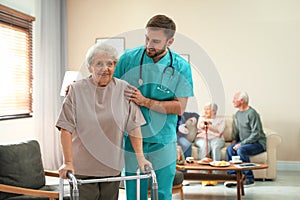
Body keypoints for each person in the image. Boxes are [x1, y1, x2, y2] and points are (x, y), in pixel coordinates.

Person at [56, 43, 152, 200]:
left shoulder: (125, 90)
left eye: (110, 63)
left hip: (111, 167)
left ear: (115, 66)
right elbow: (65, 128)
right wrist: (67, 162)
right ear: (90, 67)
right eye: (99, 63)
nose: (105, 68)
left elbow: (134, 127)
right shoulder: (76, 91)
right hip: (82, 168)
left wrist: (141, 158)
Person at [114, 14, 194, 200]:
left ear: (170, 41)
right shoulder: (128, 59)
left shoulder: (181, 67)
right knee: (134, 193)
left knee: (163, 192)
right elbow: (109, 87)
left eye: (156, 41)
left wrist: (145, 102)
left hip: (163, 137)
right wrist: (79, 88)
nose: (149, 44)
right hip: (133, 137)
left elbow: (179, 107)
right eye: (147, 38)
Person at [225, 91, 266, 187]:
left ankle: (249, 179)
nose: (233, 101)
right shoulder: (237, 114)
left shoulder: (252, 113)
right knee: (230, 149)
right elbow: (236, 130)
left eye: (235, 99)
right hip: (245, 142)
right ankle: (233, 177)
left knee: (241, 150)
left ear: (242, 100)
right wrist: (234, 141)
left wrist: (242, 143)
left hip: (257, 143)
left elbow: (256, 133)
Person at [194, 103, 225, 186]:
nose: (205, 111)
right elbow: (199, 126)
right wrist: (204, 124)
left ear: (214, 111)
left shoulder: (221, 120)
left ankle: (215, 175)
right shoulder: (202, 118)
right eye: (205, 109)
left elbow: (219, 130)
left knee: (215, 147)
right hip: (202, 138)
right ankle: (204, 175)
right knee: (204, 146)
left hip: (217, 139)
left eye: (207, 109)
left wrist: (208, 125)